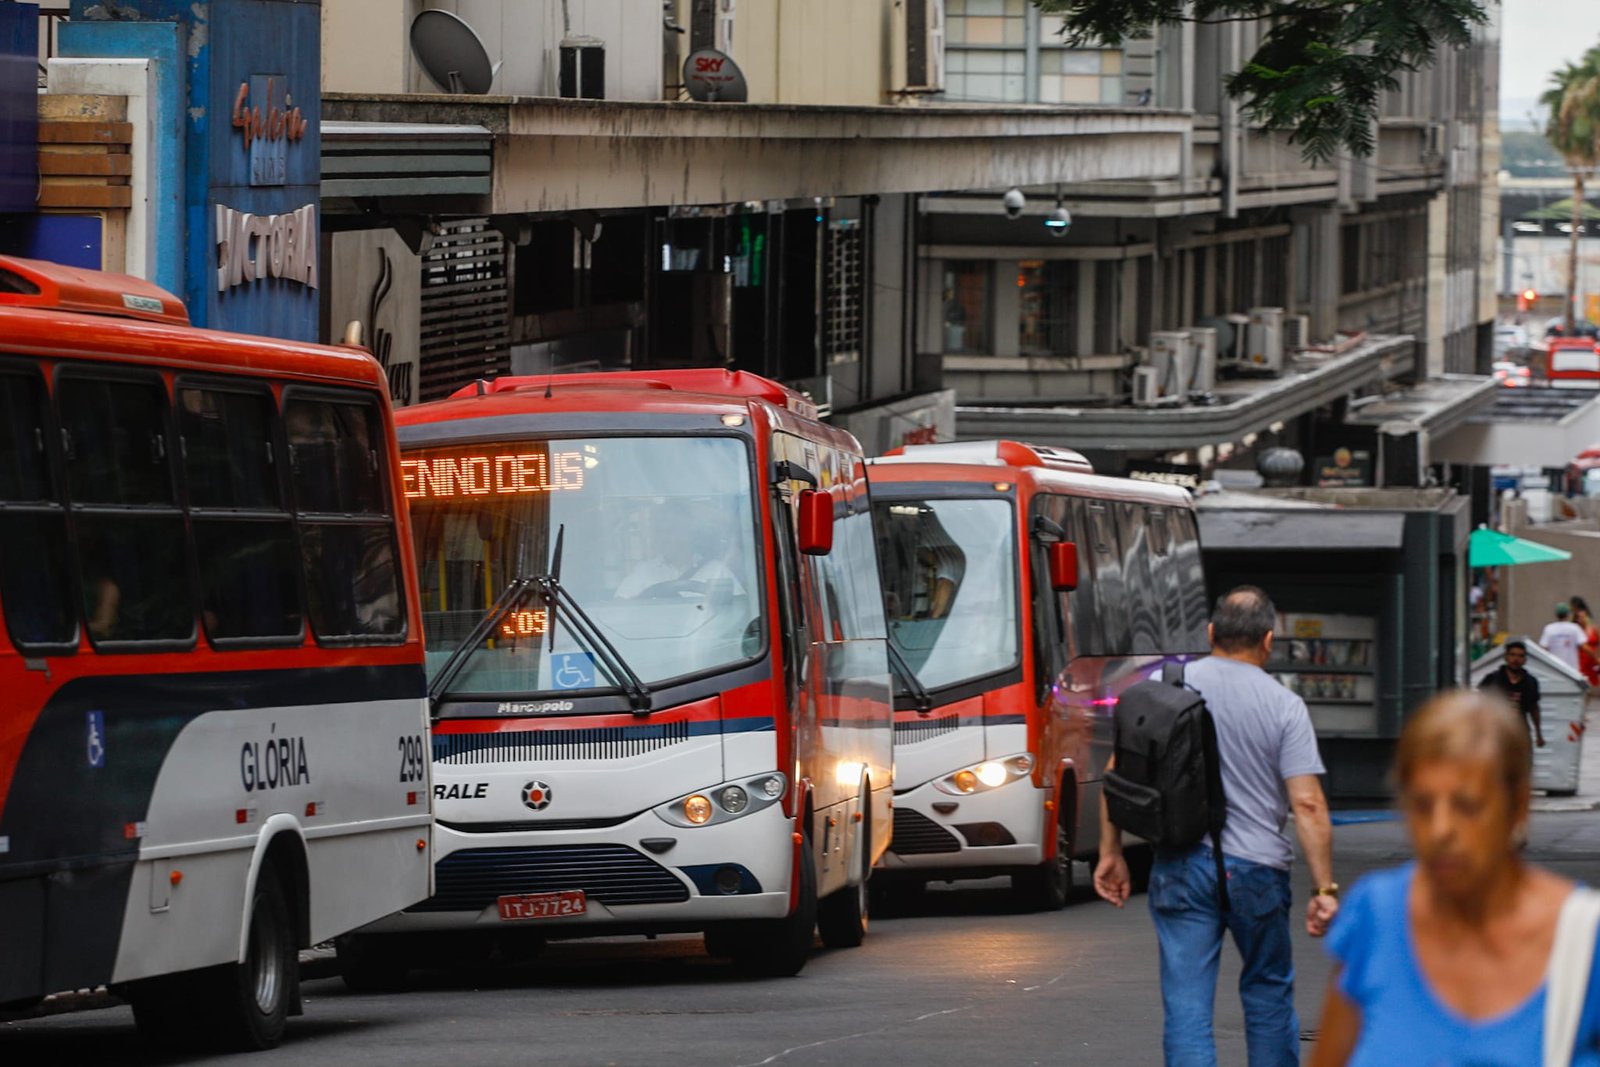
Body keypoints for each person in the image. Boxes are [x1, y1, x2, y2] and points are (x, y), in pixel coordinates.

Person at [1095, 585, 1337, 1067]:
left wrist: (1111, 851)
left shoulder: (1167, 691)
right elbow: (1307, 804)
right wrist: (1324, 886)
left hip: (1181, 863)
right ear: (1268, 640)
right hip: (1258, 872)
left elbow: (1118, 775)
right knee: (1268, 992)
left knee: (1187, 1006)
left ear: (1210, 633)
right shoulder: (1284, 705)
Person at [1310, 690, 1600, 1066]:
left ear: (1519, 805)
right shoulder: (1376, 915)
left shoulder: (1583, 938)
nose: (1441, 830)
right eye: (1422, 805)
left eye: (1467, 805)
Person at [1478, 639, 1545, 747]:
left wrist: (1539, 733)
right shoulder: (1492, 680)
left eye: (1520, 656)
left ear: (1525, 660)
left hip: (1520, 733)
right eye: (1512, 655)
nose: (1516, 659)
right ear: (1506, 657)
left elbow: (1534, 708)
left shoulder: (1530, 682)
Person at [1541, 603, 1590, 673]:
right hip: (1572, 670)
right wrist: (1596, 659)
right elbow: (1585, 647)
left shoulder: (1549, 629)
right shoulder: (1574, 628)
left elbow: (1543, 648)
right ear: (1567, 614)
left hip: (1555, 669)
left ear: (1556, 615)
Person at [1572, 595, 1600, 687]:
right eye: (1579, 617)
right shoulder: (1575, 631)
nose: (1581, 619)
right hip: (1580, 663)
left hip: (1591, 663)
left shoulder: (1593, 629)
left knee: (1591, 687)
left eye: (1583, 617)